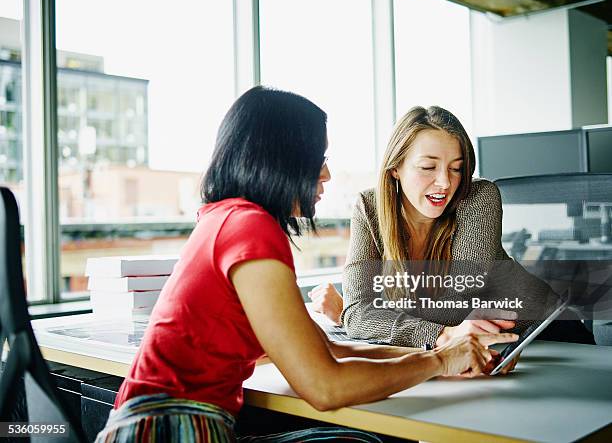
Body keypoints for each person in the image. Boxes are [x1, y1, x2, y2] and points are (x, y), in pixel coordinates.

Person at [95, 89, 517, 443]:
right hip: (170, 431)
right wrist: (439, 362)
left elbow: (331, 349)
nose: (327, 174)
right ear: (281, 158)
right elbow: (324, 386)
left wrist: (446, 356)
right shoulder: (249, 229)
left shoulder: (226, 218)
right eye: (319, 157)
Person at [310, 105, 550, 349]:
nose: (445, 182)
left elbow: (460, 302)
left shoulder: (478, 196)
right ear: (395, 168)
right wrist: (359, 315)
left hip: (548, 335)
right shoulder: (369, 207)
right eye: (428, 167)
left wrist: (353, 315)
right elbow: (360, 313)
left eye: (456, 168)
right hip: (486, 348)